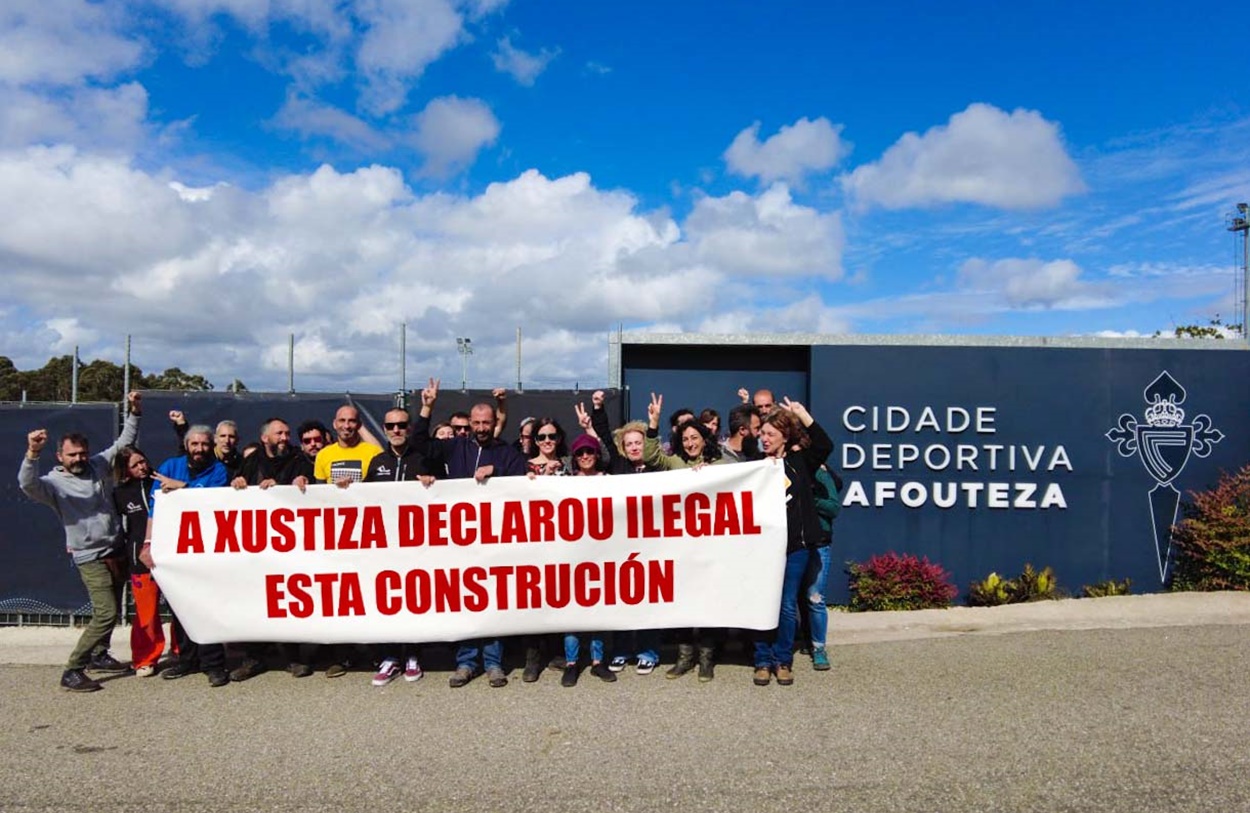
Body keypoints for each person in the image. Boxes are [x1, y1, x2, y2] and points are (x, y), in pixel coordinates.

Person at [18, 391, 142, 692]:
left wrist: (135, 412)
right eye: (72, 454)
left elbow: (123, 444)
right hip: (89, 555)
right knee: (106, 612)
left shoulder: (97, 466)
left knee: (113, 604)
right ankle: (72, 669)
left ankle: (99, 654)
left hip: (115, 548)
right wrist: (32, 454)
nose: (79, 459)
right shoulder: (53, 484)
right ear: (60, 456)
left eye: (82, 453)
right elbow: (27, 484)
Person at [415, 378, 526, 688]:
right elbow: (421, 444)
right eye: (475, 422)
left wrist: (497, 471)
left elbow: (524, 482)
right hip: (459, 541)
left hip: (495, 541)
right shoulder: (455, 447)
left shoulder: (506, 453)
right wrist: (427, 407)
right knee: (465, 602)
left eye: (485, 422)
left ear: (494, 423)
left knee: (491, 603)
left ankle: (493, 663)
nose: (480, 427)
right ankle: (465, 662)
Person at [643, 393, 726, 681]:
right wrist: (653, 425)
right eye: (686, 439)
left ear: (704, 438)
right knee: (681, 604)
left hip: (709, 549)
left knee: (707, 605)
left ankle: (706, 660)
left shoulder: (721, 463)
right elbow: (650, 455)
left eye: (695, 438)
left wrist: (709, 476)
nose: (690, 443)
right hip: (679, 548)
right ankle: (684, 658)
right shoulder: (675, 462)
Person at [143, 424, 232, 687]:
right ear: (186, 445)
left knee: (208, 607)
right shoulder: (169, 466)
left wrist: (182, 487)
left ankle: (213, 664)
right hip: (176, 549)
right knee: (181, 606)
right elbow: (154, 509)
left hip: (208, 550)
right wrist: (148, 542)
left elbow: (214, 502)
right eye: (195, 444)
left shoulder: (219, 470)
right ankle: (186, 660)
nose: (200, 449)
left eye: (204, 444)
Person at [752, 399, 833, 687]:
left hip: (795, 547)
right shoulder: (753, 466)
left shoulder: (799, 462)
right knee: (763, 603)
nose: (765, 438)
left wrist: (802, 415)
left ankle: (782, 660)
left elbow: (824, 445)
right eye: (762, 433)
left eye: (771, 434)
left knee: (786, 604)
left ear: (785, 438)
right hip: (763, 548)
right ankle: (762, 661)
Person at [356, 406, 432, 687]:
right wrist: (341, 492)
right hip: (383, 548)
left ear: (409, 428)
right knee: (385, 601)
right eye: (390, 426)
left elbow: (445, 496)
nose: (396, 430)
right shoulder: (376, 462)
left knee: (413, 600)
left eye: (401, 425)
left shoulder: (423, 460)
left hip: (416, 547)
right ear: (384, 430)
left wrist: (431, 484)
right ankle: (389, 657)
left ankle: (413, 655)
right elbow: (361, 501)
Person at [559, 434, 616, 687]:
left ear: (596, 454)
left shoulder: (608, 481)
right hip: (572, 554)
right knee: (572, 611)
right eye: (580, 453)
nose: (585, 456)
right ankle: (572, 663)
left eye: (589, 452)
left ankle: (597, 661)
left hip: (601, 553)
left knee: (597, 611)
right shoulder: (564, 483)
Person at [112, 445, 166, 678]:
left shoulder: (161, 481)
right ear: (125, 470)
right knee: (147, 612)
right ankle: (145, 659)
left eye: (142, 461)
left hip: (170, 554)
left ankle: (181, 651)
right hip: (141, 559)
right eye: (134, 465)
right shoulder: (120, 493)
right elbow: (114, 526)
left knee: (180, 608)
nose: (141, 467)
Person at [804, 464, 841, 671]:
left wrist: (811, 500)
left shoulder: (821, 473)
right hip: (791, 543)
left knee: (815, 597)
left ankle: (819, 648)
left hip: (819, 544)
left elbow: (834, 508)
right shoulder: (781, 467)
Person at [314, 405, 382, 487]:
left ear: (359, 425)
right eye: (342, 420)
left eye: (352, 421)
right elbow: (320, 492)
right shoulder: (323, 455)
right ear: (334, 424)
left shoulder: (374, 452)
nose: (346, 426)